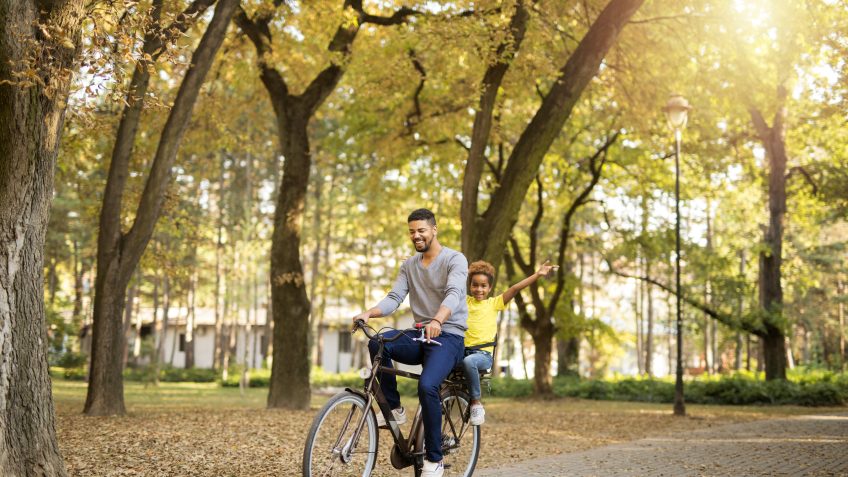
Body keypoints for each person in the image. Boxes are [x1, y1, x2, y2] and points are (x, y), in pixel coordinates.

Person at [352, 208, 467, 477]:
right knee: (379, 342)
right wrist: (369, 313)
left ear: (434, 230)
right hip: (420, 333)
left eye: (421, 230)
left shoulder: (455, 260)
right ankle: (394, 407)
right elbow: (394, 298)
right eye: (412, 231)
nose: (416, 236)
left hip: (449, 335)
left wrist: (438, 320)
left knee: (427, 385)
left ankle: (434, 459)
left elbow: (453, 294)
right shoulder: (409, 266)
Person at [463, 259, 557, 426]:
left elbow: (515, 288)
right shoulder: (464, 301)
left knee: (469, 361)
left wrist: (537, 274)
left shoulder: (494, 304)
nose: (479, 289)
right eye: (475, 285)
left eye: (483, 286)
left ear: (489, 288)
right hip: (462, 351)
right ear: (470, 286)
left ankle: (476, 403)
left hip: (482, 355)